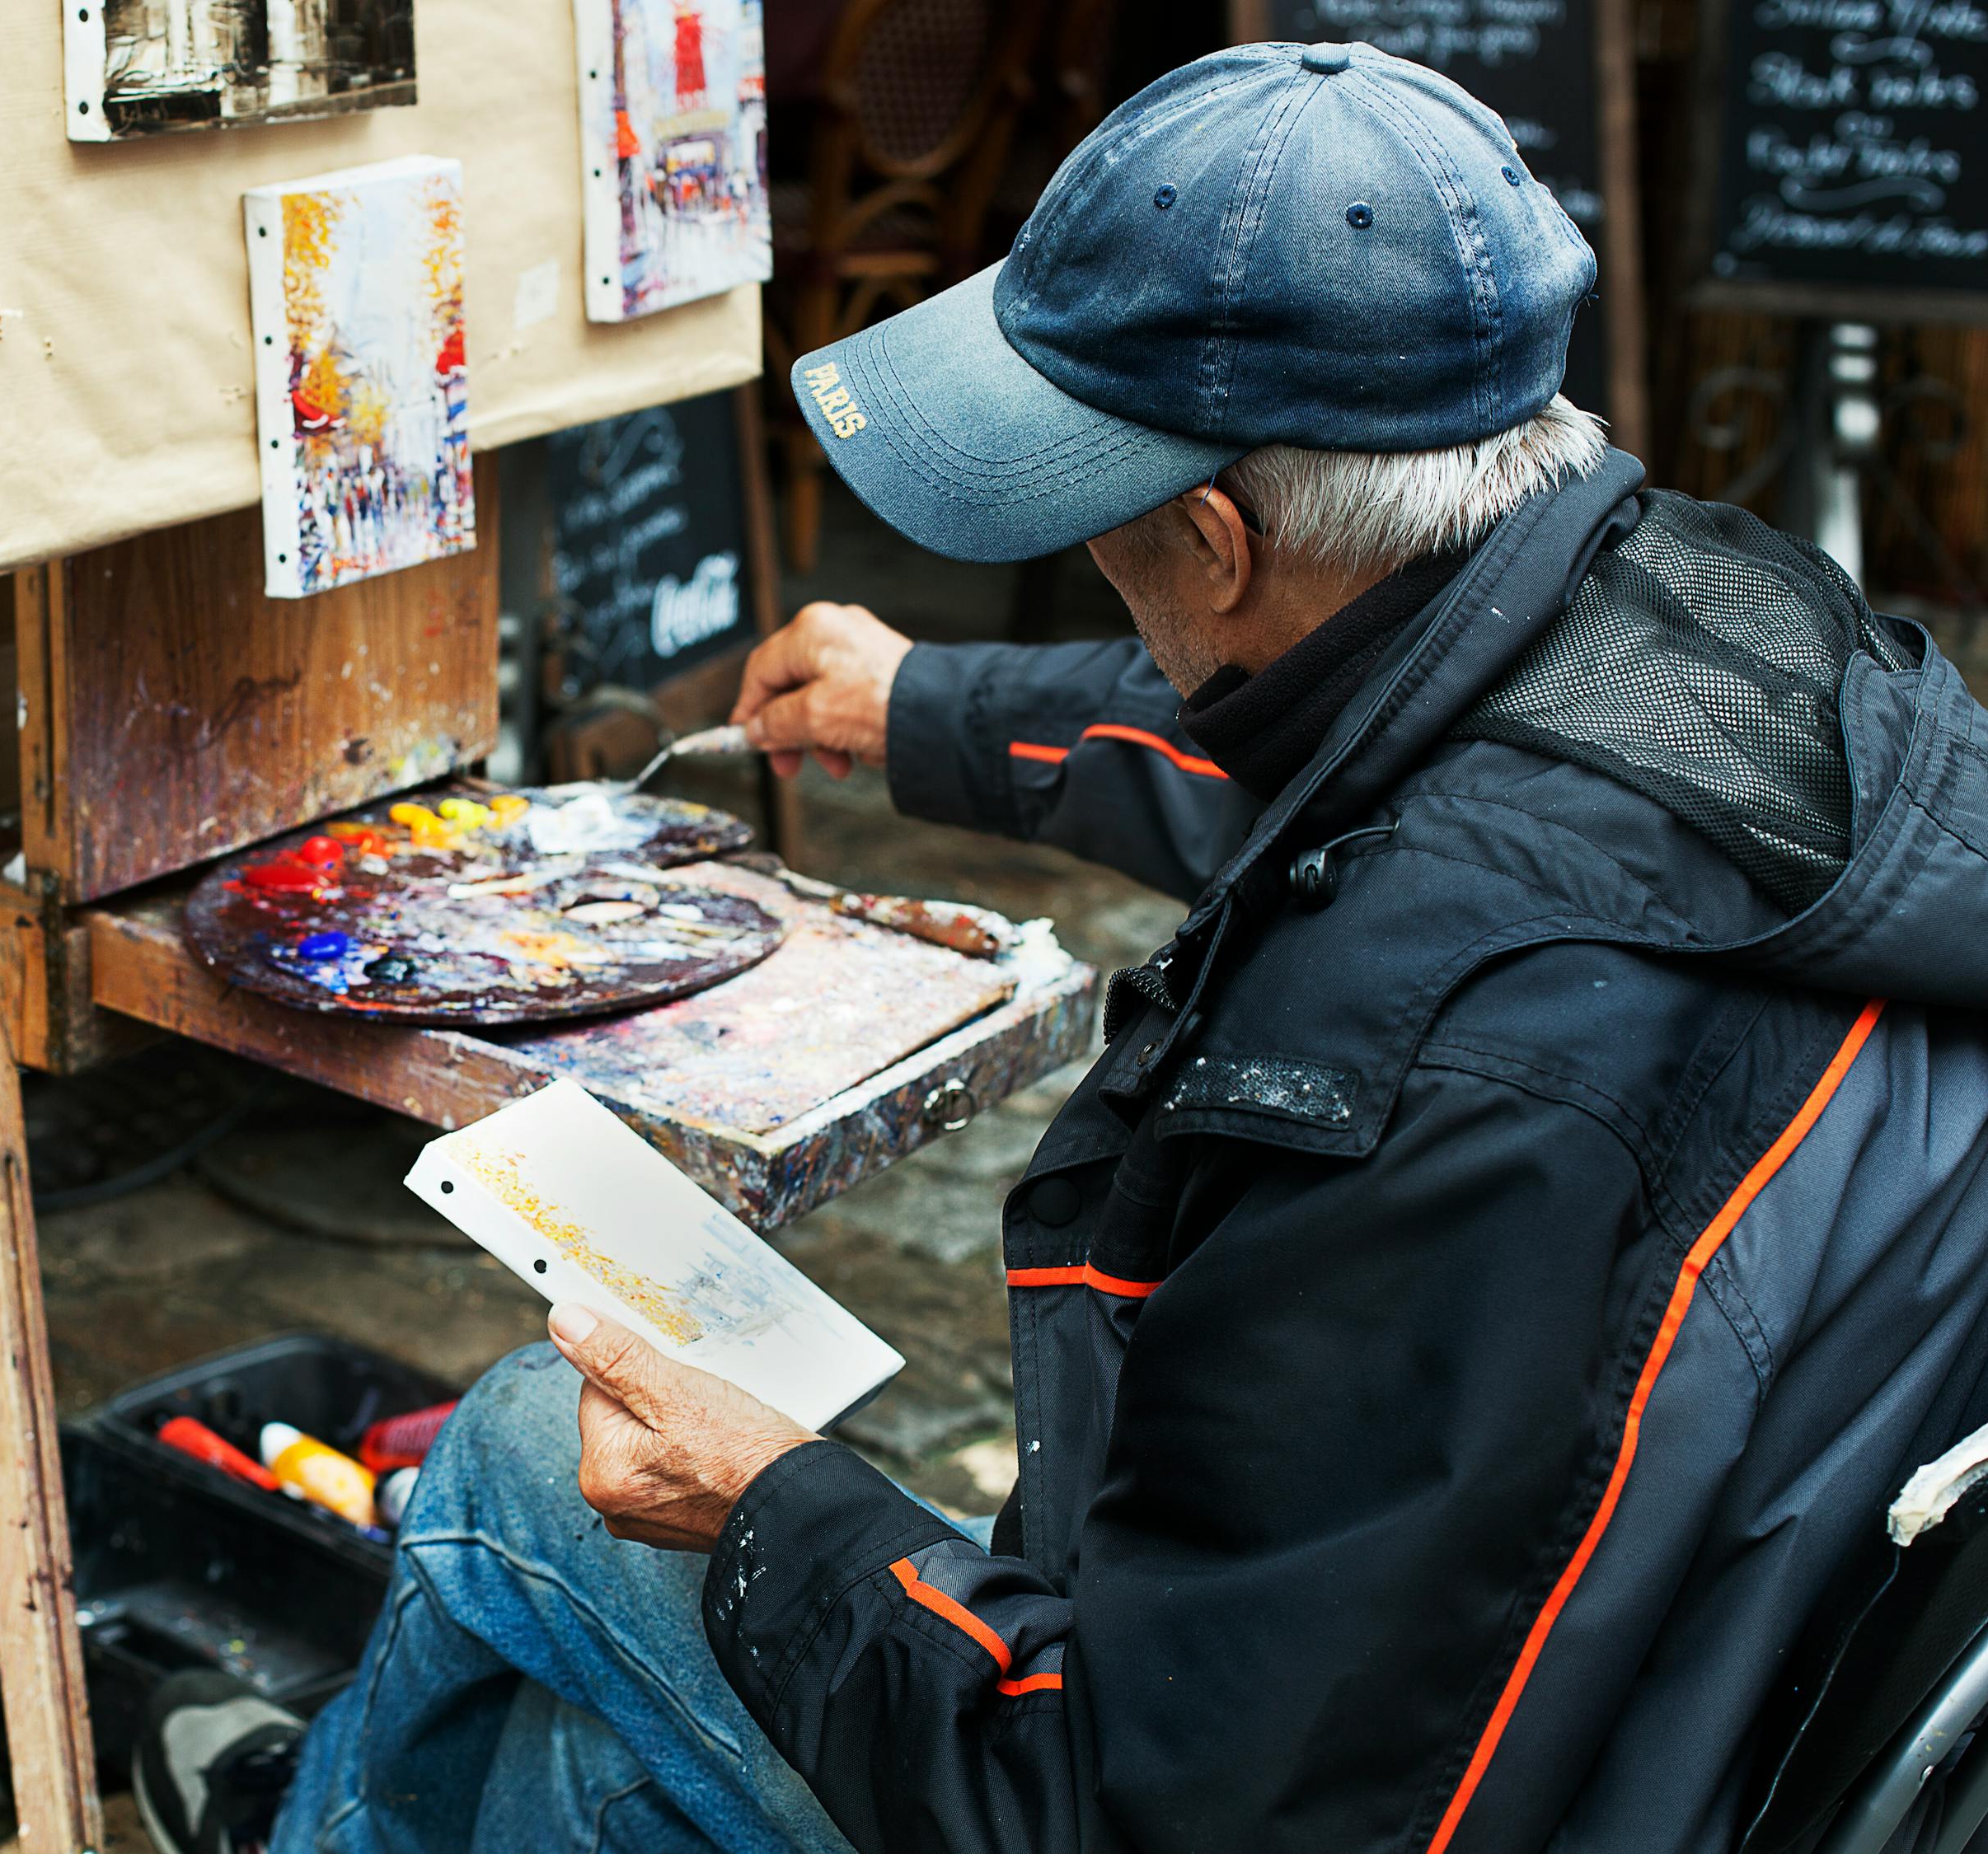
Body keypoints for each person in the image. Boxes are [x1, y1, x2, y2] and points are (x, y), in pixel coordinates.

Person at [138, 40, 1988, 1854]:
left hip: (1466, 1773)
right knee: (583, 1772)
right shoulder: (1722, 629)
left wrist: (770, 1503)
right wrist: (924, 705)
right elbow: (1334, 744)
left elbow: (1127, 1805)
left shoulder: (1428, 1070)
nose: (1101, 562)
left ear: (1208, 538)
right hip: (1687, 1658)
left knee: (541, 1447)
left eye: (1098, 523)